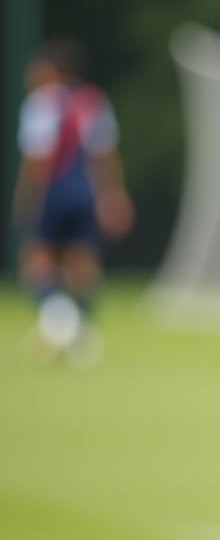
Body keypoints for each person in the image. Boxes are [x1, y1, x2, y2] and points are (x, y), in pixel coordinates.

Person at [12, 38, 134, 364]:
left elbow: (37, 157)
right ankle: (83, 337)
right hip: (87, 193)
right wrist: (112, 195)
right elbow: (104, 155)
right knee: (84, 262)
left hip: (53, 191)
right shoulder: (94, 101)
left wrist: (25, 198)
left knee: (35, 258)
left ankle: (58, 317)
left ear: (53, 70)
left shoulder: (41, 102)